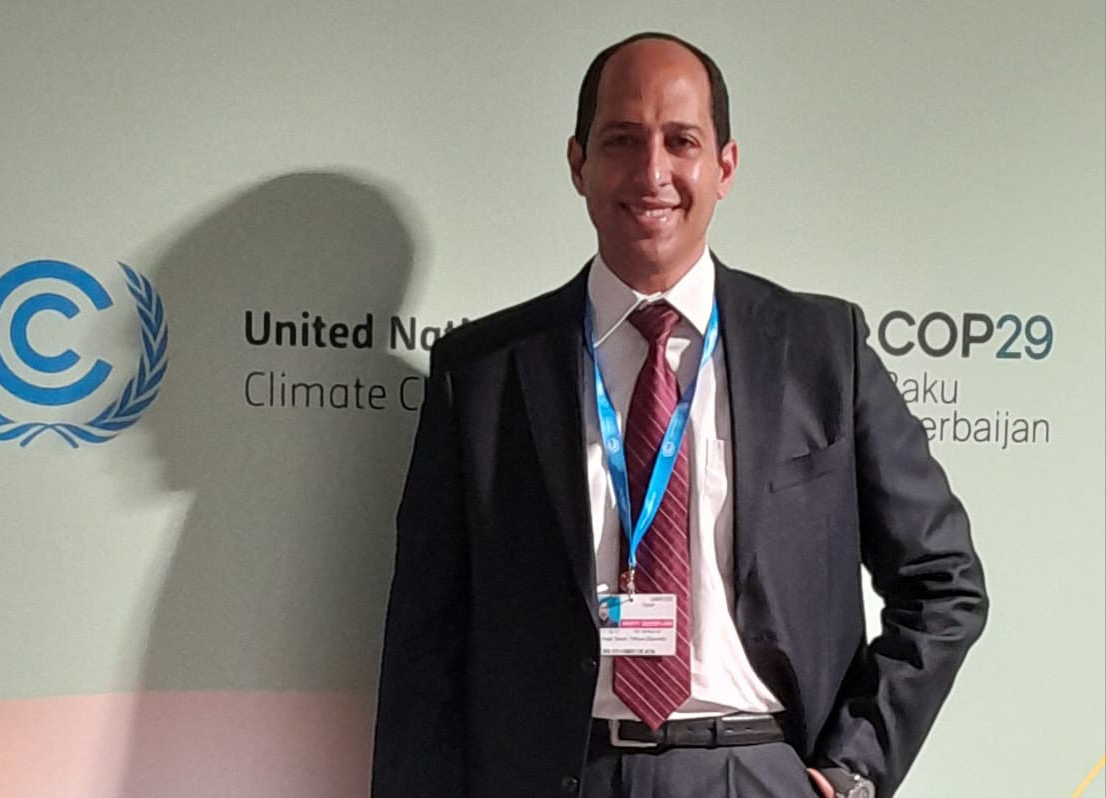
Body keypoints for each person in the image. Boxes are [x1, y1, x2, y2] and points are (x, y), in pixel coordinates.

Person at [373, 31, 987, 798]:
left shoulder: (822, 350)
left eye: (681, 141)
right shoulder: (484, 370)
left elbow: (941, 581)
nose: (652, 172)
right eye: (622, 141)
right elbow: (424, 639)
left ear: (723, 166)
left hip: (756, 769)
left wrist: (856, 766)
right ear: (577, 163)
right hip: (555, 775)